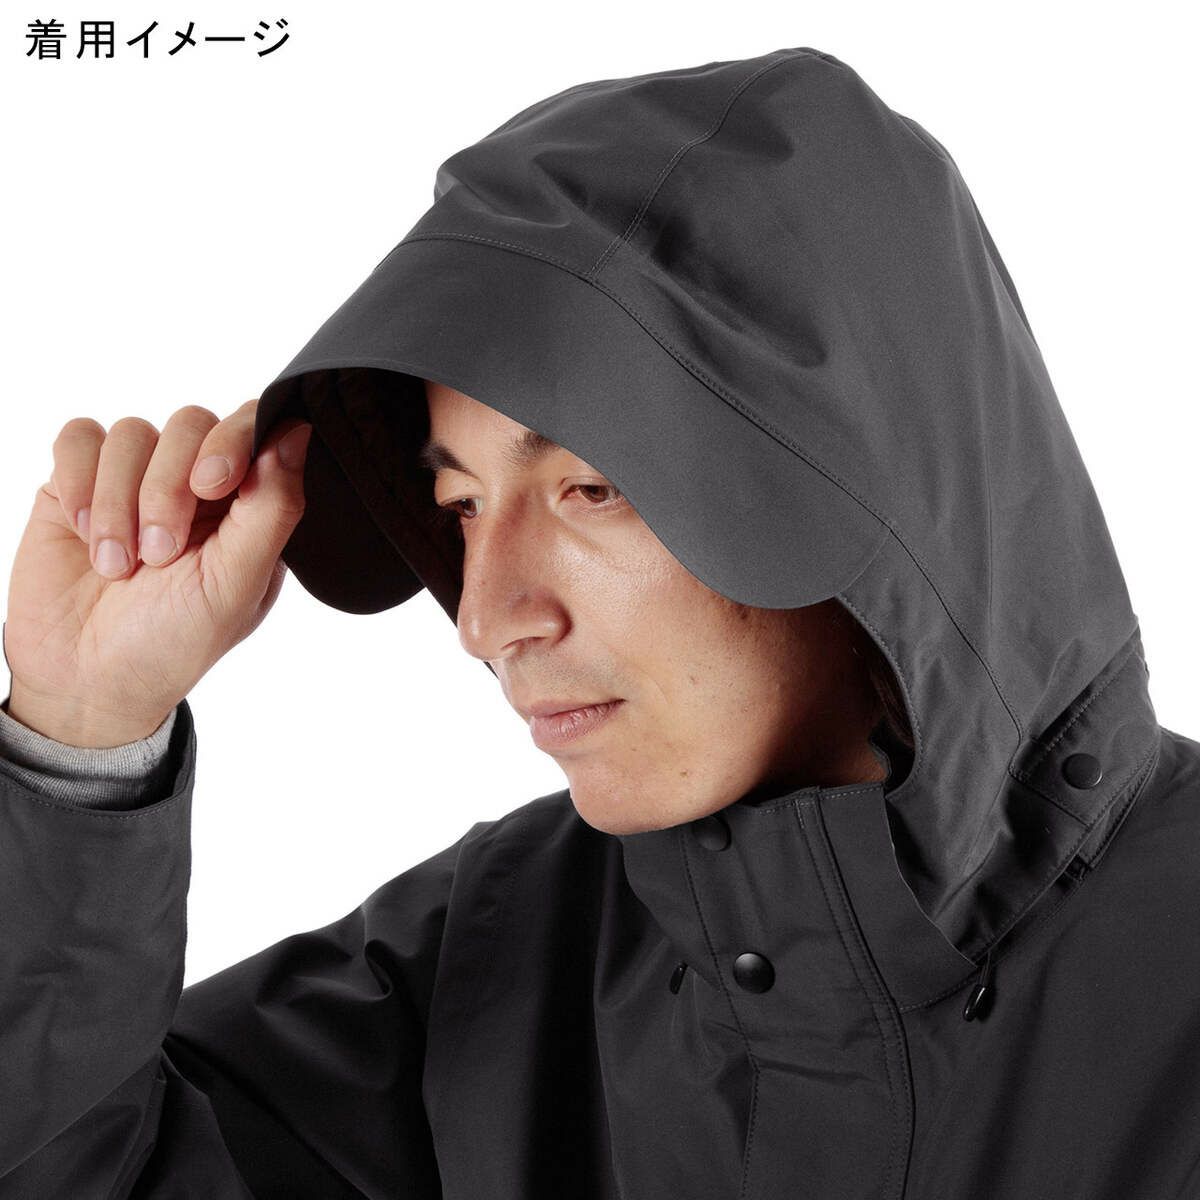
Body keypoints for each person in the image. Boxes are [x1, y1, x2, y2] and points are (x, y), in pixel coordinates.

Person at [0, 43, 1192, 1199]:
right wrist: (84, 727)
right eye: (461, 506)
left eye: (593, 487)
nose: (485, 620)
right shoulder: (507, 947)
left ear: (863, 478)